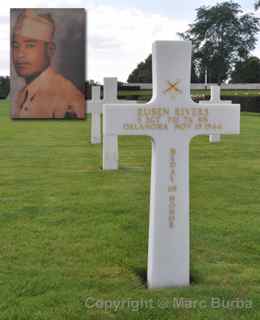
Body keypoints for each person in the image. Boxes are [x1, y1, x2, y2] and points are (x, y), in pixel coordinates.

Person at [12, 9, 85, 119]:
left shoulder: (69, 98)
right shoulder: (21, 94)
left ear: (50, 50)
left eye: (30, 45)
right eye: (15, 46)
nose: (20, 54)